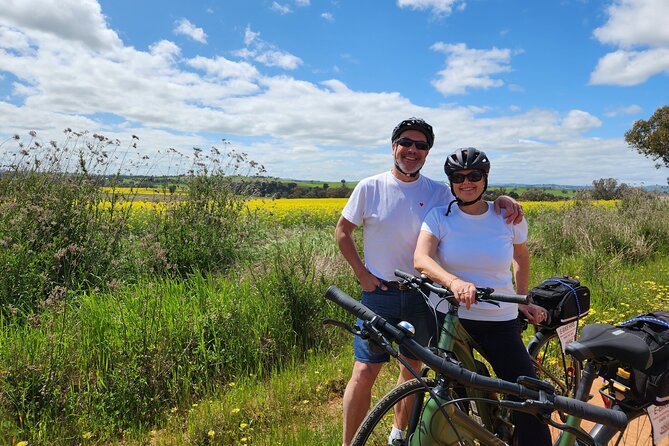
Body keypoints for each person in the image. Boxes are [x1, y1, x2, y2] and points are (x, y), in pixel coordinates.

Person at [335, 118, 524, 446]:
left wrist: (504, 200)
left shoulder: (439, 192)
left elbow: (472, 201)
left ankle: (397, 435)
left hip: (425, 295)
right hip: (379, 293)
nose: (413, 150)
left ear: (427, 153)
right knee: (364, 372)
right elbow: (342, 233)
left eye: (421, 146)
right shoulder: (370, 187)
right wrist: (362, 275)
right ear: (393, 146)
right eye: (406, 143)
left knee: (412, 370)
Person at [413, 147, 551, 446]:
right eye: (459, 177)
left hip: (498, 318)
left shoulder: (505, 215)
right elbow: (421, 259)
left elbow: (521, 259)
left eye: (474, 175)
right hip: (451, 320)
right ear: (450, 181)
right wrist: (453, 282)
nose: (467, 182)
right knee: (452, 398)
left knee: (529, 395)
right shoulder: (439, 216)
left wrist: (523, 298)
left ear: (485, 178)